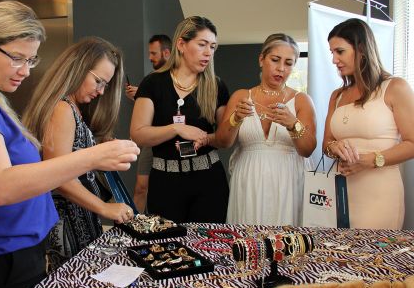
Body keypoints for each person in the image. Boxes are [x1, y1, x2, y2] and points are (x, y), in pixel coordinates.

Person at [0, 1, 138, 288]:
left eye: (31, 60)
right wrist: (94, 158)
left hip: (15, 254)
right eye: (17, 58)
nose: (25, 70)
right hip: (1, 257)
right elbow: (2, 185)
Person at [23, 37, 133, 270]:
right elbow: (59, 177)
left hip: (80, 217)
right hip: (69, 222)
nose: (101, 91)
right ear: (79, 68)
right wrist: (104, 208)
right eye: (98, 81)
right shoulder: (62, 109)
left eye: (105, 85)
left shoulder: (72, 109)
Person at [130, 16, 230, 224]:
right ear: (181, 44)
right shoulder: (152, 83)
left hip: (209, 182)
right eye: (202, 44)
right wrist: (176, 128)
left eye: (212, 47)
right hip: (165, 182)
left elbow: (224, 140)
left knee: (207, 242)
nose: (208, 52)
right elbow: (138, 134)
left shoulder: (216, 86)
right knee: (168, 243)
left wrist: (231, 122)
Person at [323, 18, 414, 229]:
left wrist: (370, 160)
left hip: (379, 195)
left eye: (340, 51)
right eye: (332, 53)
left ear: (362, 49)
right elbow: (326, 144)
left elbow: (412, 143)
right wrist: (334, 147)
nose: (334, 60)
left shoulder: (395, 87)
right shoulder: (336, 95)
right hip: (339, 194)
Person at [217, 34, 316, 226]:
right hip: (249, 179)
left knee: (286, 237)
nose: (281, 68)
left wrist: (293, 124)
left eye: (289, 63)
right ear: (261, 59)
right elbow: (223, 142)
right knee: (247, 235)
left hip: (288, 180)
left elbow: (308, 149)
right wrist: (235, 118)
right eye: (275, 60)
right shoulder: (241, 96)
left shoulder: (302, 100)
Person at [124, 35, 172, 214]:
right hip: (151, 142)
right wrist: (140, 96)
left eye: (153, 53)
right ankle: (136, 225)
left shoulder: (178, 79)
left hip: (172, 143)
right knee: (141, 187)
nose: (150, 57)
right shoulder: (151, 80)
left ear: (166, 53)